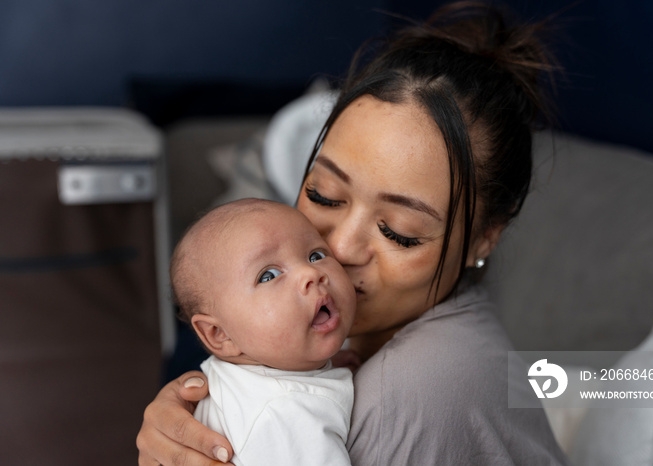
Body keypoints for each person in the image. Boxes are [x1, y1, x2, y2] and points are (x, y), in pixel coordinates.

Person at [137, 2, 569, 465]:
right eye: (323, 195)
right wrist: (210, 415)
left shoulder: (411, 392)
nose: (337, 249)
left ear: (484, 238)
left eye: (399, 233)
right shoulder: (331, 327)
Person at [170, 199, 356, 465]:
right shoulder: (286, 414)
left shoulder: (256, 376)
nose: (310, 273)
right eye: (268, 275)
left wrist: (318, 367)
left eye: (316, 255)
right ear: (219, 334)